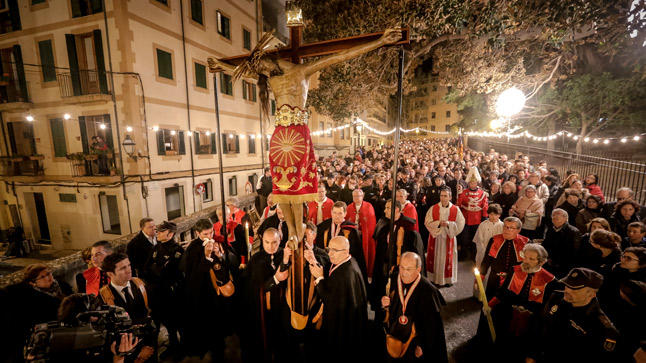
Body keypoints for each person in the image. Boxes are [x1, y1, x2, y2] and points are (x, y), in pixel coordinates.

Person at [527, 268, 619, 363]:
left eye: (575, 289)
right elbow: (540, 326)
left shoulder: (602, 326)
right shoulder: (556, 297)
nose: (567, 291)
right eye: (567, 285)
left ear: (591, 294)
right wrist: (532, 356)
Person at [486, 244, 556, 362]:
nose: (526, 261)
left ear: (541, 262)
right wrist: (490, 304)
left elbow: (546, 306)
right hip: (508, 314)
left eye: (531, 259)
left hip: (531, 321)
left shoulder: (549, 280)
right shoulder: (515, 270)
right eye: (525, 257)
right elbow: (503, 291)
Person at [180, 218, 235, 360]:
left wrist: (219, 255)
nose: (210, 237)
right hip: (204, 296)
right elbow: (194, 276)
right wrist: (206, 256)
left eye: (211, 232)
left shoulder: (217, 241)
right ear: (197, 233)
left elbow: (227, 264)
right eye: (206, 234)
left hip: (219, 292)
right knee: (209, 328)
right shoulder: (192, 249)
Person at [308, 236, 368, 360]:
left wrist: (319, 279)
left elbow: (330, 300)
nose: (330, 254)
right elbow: (330, 275)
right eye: (329, 249)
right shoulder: (344, 262)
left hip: (342, 328)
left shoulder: (346, 274)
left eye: (335, 251)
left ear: (346, 252)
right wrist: (314, 261)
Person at [381, 252, 448, 362]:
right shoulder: (394, 278)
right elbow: (387, 302)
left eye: (409, 269)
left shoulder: (428, 291)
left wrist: (422, 345)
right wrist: (384, 303)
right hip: (395, 336)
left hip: (414, 341)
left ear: (418, 269)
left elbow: (432, 325)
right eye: (402, 267)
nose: (404, 273)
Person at [2, 264, 70, 362]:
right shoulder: (32, 300)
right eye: (42, 277)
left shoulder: (62, 286)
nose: (48, 277)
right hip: (49, 334)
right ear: (33, 283)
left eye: (49, 273)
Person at [242, 228, 291, 362]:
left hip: (283, 309)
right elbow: (251, 287)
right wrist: (275, 279)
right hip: (263, 310)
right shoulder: (256, 259)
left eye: (274, 242)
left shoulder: (286, 254)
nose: (270, 246)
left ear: (280, 240)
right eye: (267, 242)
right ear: (262, 241)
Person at [372, 200, 425, 315]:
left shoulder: (408, 227)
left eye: (387, 208)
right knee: (382, 293)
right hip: (383, 266)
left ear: (396, 210)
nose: (385, 210)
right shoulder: (383, 222)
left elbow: (414, 251)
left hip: (399, 269)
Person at [99, 253, 155, 362]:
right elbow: (108, 333)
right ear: (110, 274)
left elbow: (151, 312)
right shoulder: (104, 298)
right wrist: (136, 352)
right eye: (123, 268)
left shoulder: (140, 284)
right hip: (126, 351)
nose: (129, 270)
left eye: (129, 265)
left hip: (149, 343)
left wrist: (149, 345)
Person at [141, 221, 183, 360]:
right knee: (159, 320)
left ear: (170, 234)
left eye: (161, 231)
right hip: (155, 292)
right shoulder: (156, 247)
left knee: (174, 323)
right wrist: (157, 268)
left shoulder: (177, 251)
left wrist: (157, 269)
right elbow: (146, 269)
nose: (157, 232)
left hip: (171, 293)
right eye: (157, 230)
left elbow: (169, 273)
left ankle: (179, 348)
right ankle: (172, 346)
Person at [315, 201, 368, 283]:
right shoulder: (323, 227)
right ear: (331, 212)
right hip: (326, 263)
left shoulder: (351, 229)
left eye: (340, 213)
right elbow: (319, 247)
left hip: (344, 266)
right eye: (334, 213)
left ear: (345, 213)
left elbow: (357, 253)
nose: (337, 216)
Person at [425, 187, 465, 286]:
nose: (443, 198)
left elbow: (460, 224)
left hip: (449, 237)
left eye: (445, 196)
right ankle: (435, 278)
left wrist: (448, 224)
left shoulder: (455, 209)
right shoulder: (433, 208)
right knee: (436, 258)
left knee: (448, 259)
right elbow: (427, 222)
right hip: (436, 238)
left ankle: (448, 280)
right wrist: (438, 223)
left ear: (450, 197)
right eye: (441, 196)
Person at [479, 217, 528, 297]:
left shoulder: (525, 242)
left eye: (511, 228)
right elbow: (486, 260)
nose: (507, 230)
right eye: (505, 226)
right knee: (490, 302)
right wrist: (481, 276)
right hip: (494, 279)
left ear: (518, 230)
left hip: (514, 281)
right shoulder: (494, 240)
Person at [457, 167, 488, 261]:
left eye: (474, 183)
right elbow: (458, 204)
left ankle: (474, 256)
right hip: (465, 219)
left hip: (477, 219)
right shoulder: (463, 192)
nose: (472, 184)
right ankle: (463, 255)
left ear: (477, 183)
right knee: (464, 239)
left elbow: (485, 206)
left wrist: (484, 217)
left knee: (476, 239)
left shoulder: (482, 193)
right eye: (471, 183)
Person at [346, 188, 377, 277]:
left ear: (362, 196)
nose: (356, 198)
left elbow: (371, 224)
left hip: (365, 237)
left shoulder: (369, 206)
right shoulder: (349, 207)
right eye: (354, 196)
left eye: (358, 196)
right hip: (353, 238)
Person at [542, 209, 582, 278]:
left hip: (564, 265)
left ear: (566, 218)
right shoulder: (551, 229)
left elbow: (574, 252)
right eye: (553, 215)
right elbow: (546, 245)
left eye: (558, 214)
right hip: (549, 262)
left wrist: (556, 261)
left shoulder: (573, 232)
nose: (555, 216)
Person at [473, 204, 504, 268]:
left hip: (497, 250)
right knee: (482, 266)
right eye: (491, 214)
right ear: (488, 214)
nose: (493, 217)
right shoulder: (483, 224)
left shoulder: (502, 225)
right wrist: (484, 249)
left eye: (496, 215)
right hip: (484, 249)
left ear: (499, 215)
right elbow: (479, 239)